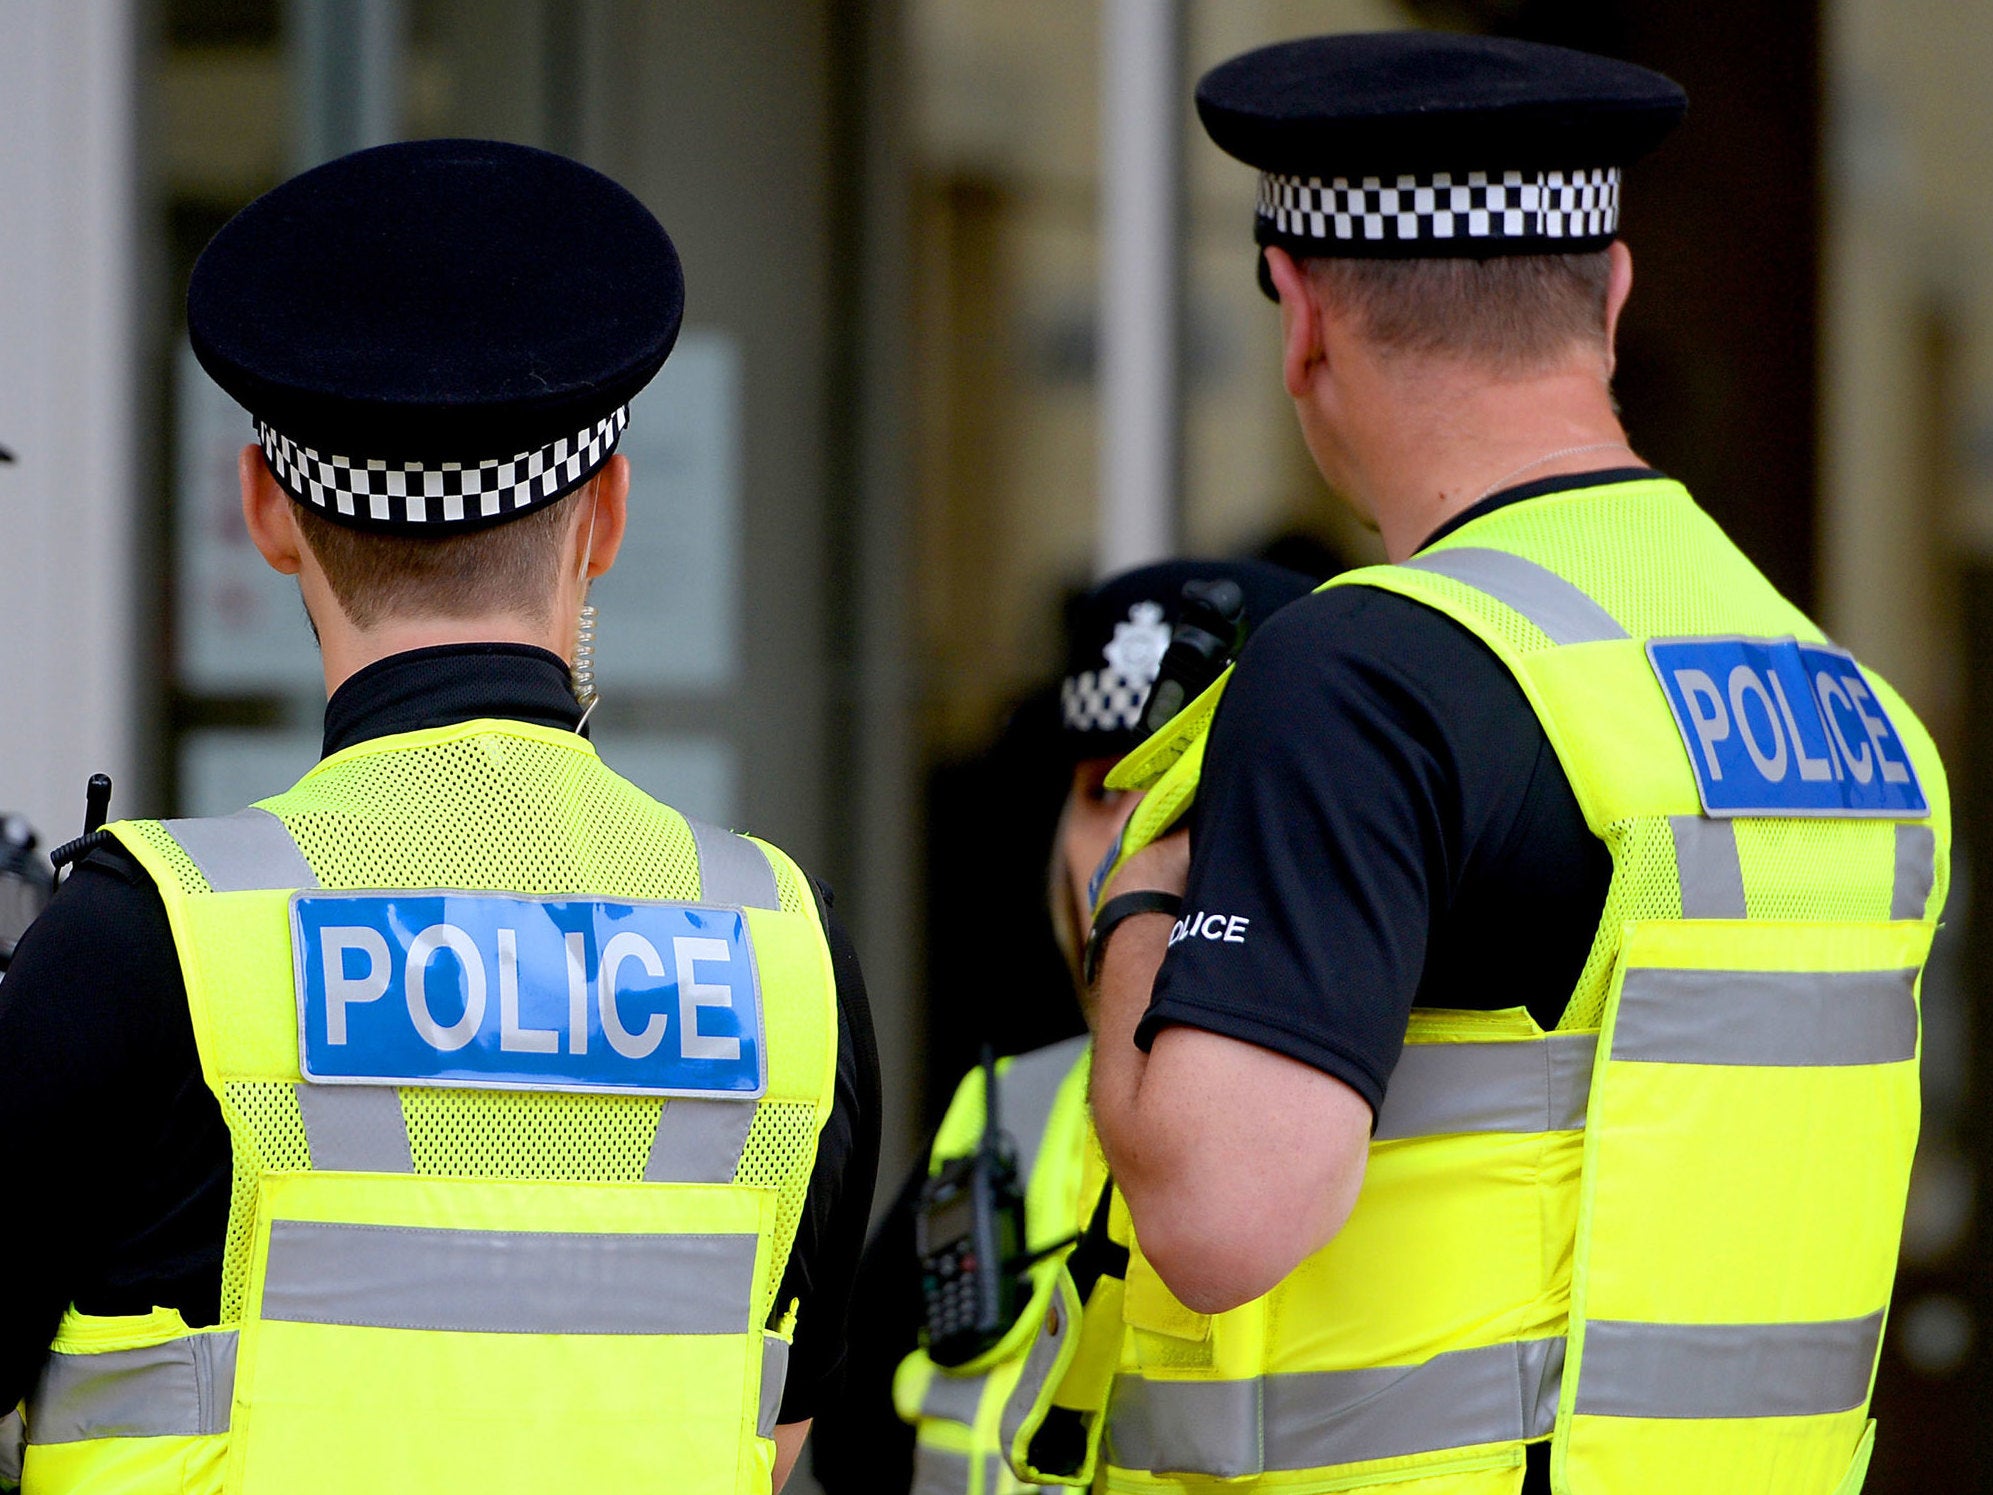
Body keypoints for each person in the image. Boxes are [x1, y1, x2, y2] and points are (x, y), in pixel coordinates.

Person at [1081, 32, 1949, 1495]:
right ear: (1609, 293)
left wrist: (1137, 906)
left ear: (1300, 314)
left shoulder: (1365, 672)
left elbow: (1226, 1208)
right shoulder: (1856, 708)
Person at [0, 140, 878, 1495]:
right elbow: (769, 1435)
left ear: (265, 512)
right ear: (610, 511)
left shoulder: (139, 948)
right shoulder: (787, 956)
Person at [812, 560, 1315, 1495]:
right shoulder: (1004, 1111)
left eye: (1180, 793)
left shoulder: (1372, 1129)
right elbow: (846, 1441)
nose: (1125, 853)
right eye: (1100, 792)